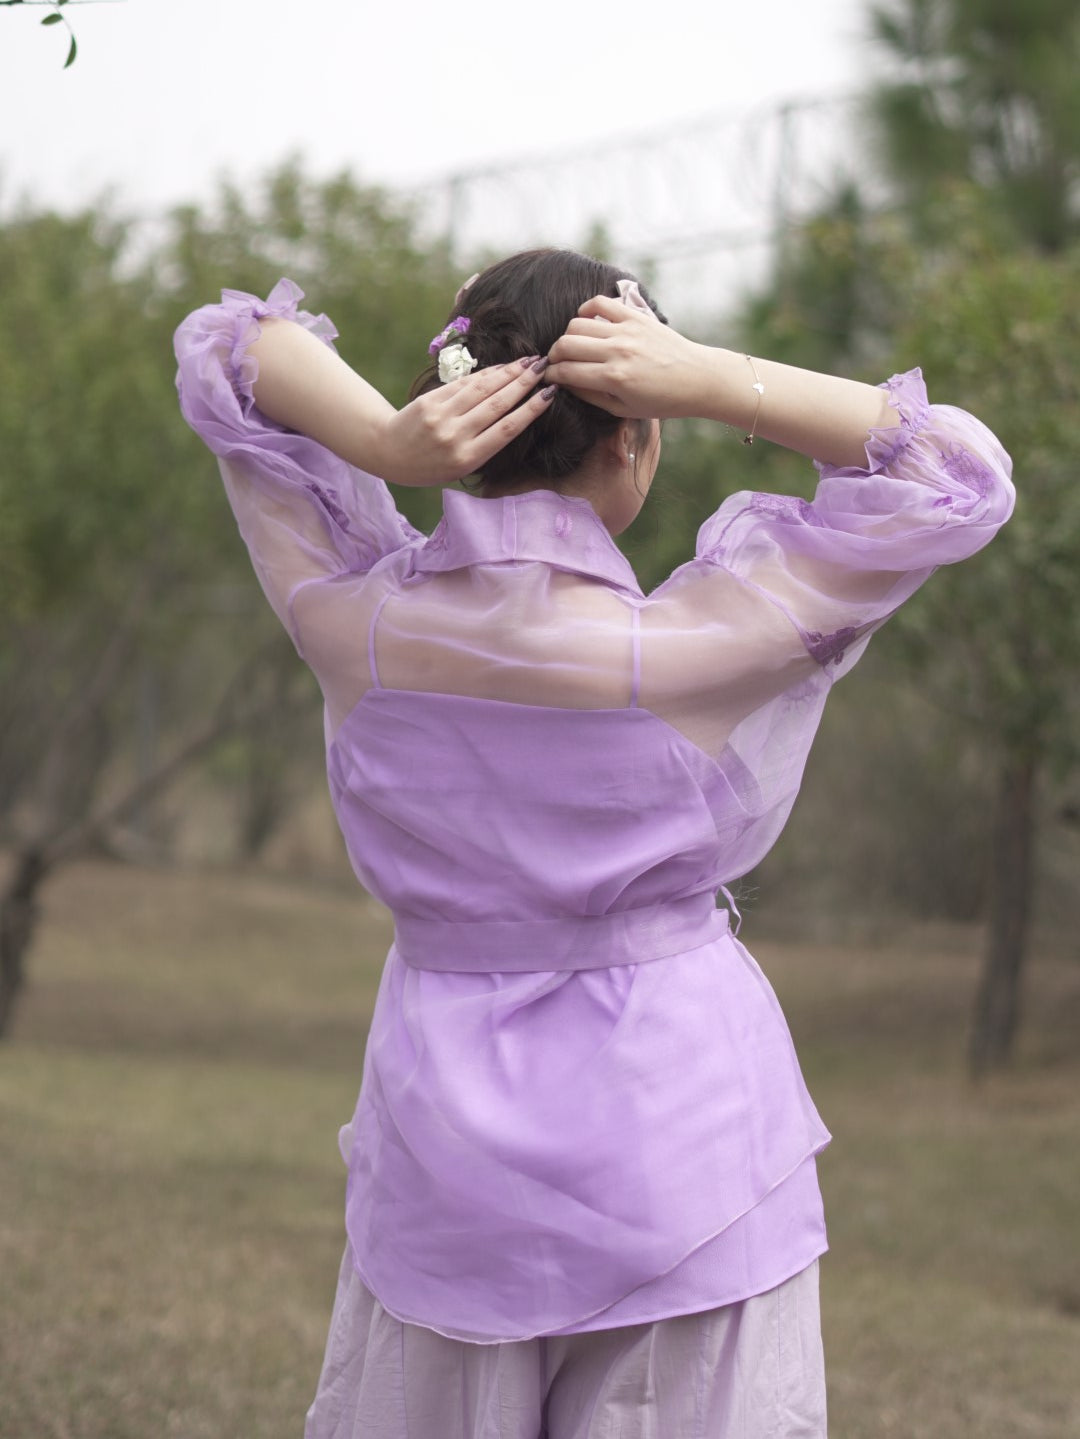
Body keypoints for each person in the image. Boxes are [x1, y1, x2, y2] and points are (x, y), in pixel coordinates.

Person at [174, 248, 1014, 1439]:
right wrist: (714, 376)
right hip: (692, 1162)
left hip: (445, 1168)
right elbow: (961, 471)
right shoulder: (696, 649)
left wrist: (383, 443)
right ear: (635, 434)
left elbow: (230, 348)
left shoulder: (353, 621)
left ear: (461, 409)